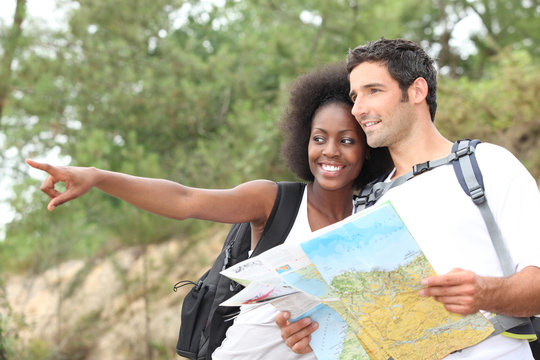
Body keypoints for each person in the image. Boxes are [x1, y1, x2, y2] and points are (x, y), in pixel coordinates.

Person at [27, 62, 393, 359]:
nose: (330, 151)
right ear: (303, 140)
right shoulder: (273, 201)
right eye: (319, 138)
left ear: (367, 150)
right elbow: (185, 200)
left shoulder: (366, 224)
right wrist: (97, 177)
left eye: (347, 140)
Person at [276, 38, 540, 359]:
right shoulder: (369, 203)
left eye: (373, 91)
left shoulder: (486, 165)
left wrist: (486, 292)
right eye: (355, 96)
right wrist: (313, 336)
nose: (358, 108)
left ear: (417, 91)